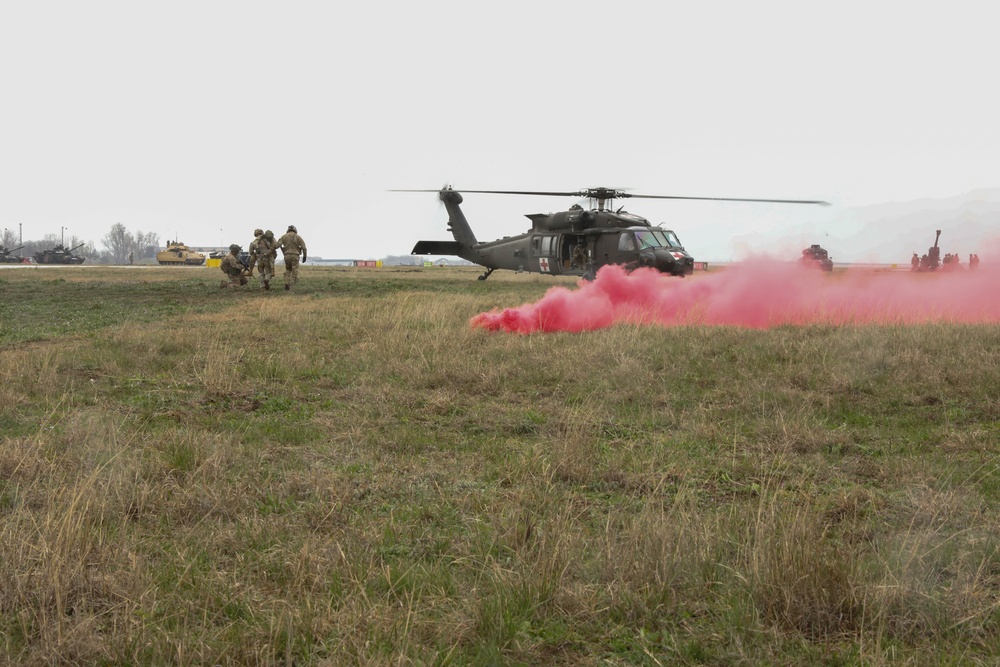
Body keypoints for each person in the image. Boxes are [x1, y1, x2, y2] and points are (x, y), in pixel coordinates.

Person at [277, 224, 307, 290]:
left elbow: (277, 245)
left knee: (288, 269)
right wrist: (305, 256)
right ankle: (292, 283)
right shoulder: (298, 237)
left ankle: (286, 282)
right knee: (295, 269)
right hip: (295, 255)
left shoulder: (283, 236)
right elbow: (304, 247)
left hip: (287, 255)